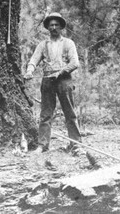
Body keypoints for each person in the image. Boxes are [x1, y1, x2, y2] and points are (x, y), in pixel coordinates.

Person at [23, 12, 82, 154]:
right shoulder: (43, 45)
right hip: (47, 82)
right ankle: (42, 145)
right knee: (45, 114)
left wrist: (60, 72)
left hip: (64, 81)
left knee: (70, 113)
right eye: (51, 25)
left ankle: (76, 145)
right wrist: (30, 71)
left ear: (61, 27)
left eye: (56, 25)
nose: (54, 27)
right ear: (48, 28)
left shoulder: (68, 43)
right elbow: (34, 59)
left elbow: (75, 63)